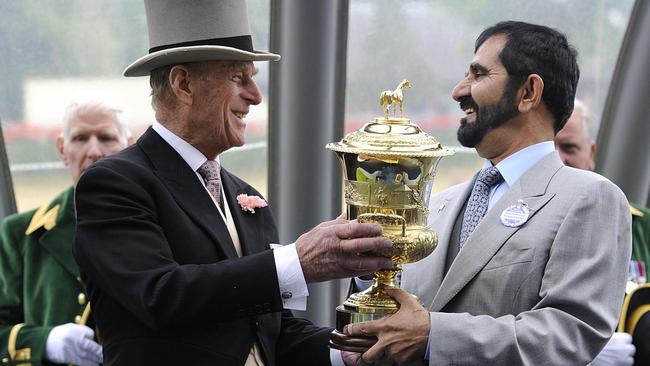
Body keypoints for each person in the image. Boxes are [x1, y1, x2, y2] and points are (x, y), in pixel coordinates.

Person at [71, 1, 392, 365]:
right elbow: (161, 296)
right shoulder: (115, 183)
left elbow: (268, 335)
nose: (255, 95)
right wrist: (295, 262)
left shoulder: (244, 195)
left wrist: (351, 351)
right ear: (183, 84)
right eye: (239, 77)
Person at [343, 21, 632, 365]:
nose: (458, 91)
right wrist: (367, 266)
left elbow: (568, 334)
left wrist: (434, 335)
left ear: (528, 93)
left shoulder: (590, 197)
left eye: (479, 75)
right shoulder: (436, 205)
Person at [0, 94, 132, 366]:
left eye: (106, 138)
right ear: (62, 149)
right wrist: (45, 342)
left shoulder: (162, 223)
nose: (94, 151)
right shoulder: (21, 235)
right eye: (80, 138)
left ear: (129, 147)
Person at [556, 101, 650, 366]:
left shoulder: (644, 228)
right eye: (547, 147)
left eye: (569, 147)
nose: (558, 158)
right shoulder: (511, 233)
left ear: (591, 153)